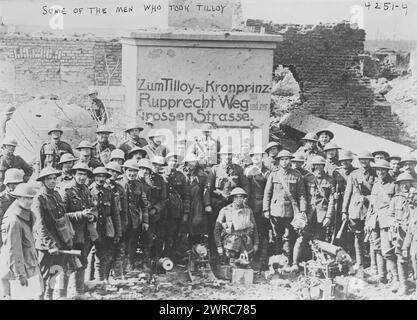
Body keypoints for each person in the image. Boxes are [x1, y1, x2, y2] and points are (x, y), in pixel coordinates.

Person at [32, 167, 75, 300]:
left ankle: (51, 297)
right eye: (48, 179)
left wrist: (65, 240)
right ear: (43, 181)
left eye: (54, 178)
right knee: (43, 276)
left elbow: (62, 218)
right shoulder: (39, 198)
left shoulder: (56, 194)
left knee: (56, 272)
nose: (52, 181)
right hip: (46, 246)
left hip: (60, 241)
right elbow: (40, 226)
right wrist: (51, 245)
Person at [263, 150, 307, 268]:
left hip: (290, 211)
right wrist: (266, 210)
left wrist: (302, 211)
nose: (284, 161)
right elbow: (267, 193)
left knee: (288, 236)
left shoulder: (297, 175)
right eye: (282, 159)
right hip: (275, 210)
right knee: (277, 236)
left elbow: (301, 195)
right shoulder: (273, 174)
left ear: (290, 160)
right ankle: (278, 261)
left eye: (287, 159)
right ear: (279, 161)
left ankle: (287, 260)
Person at [59, 163, 97, 297]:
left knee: (82, 264)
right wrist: (80, 214)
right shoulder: (66, 191)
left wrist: (92, 216)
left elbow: (93, 208)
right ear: (74, 174)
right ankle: (62, 295)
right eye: (79, 174)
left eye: (84, 175)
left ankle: (79, 292)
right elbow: (61, 216)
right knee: (67, 266)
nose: (82, 177)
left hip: (85, 235)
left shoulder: (86, 190)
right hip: (71, 235)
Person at [0, 183, 41, 299]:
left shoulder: (27, 214)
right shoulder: (14, 220)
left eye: (31, 198)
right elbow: (13, 251)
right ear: (17, 197)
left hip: (28, 266)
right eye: (26, 198)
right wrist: (20, 275)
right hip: (19, 270)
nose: (30, 201)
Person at [208, 146, 249, 258]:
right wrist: (207, 204)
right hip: (217, 203)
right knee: (216, 227)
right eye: (224, 155)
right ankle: (215, 253)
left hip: (233, 205)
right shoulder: (215, 169)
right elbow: (208, 188)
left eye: (229, 155)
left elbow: (245, 185)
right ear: (220, 156)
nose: (226, 157)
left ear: (231, 156)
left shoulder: (238, 169)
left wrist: (244, 201)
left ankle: (231, 253)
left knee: (233, 228)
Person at [341, 151, 376, 270]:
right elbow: (347, 194)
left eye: (366, 159)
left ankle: (373, 264)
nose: (364, 161)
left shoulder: (375, 174)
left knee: (372, 238)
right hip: (355, 211)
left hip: (370, 210)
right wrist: (344, 211)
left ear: (370, 160)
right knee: (358, 237)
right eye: (361, 159)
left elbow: (377, 194)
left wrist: (367, 198)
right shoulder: (354, 174)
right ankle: (360, 262)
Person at [365, 160, 396, 288]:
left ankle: (396, 278)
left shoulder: (393, 184)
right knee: (377, 248)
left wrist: (393, 220)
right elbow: (372, 205)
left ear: (388, 170)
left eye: (383, 169)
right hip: (374, 221)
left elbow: (396, 204)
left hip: (386, 221)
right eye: (378, 170)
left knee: (387, 250)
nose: (380, 172)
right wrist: (367, 221)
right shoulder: (376, 184)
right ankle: (382, 276)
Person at [89, 167, 122, 282]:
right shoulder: (88, 192)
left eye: (103, 176)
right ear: (94, 177)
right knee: (90, 256)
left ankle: (101, 281)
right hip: (91, 229)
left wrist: (117, 232)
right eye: (98, 176)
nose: (101, 179)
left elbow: (115, 214)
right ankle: (88, 281)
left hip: (105, 229)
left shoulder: (109, 193)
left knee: (103, 255)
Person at [214, 187, 259, 265]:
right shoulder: (225, 210)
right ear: (233, 198)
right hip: (231, 244)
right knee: (231, 263)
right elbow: (217, 229)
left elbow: (255, 228)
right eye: (236, 197)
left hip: (246, 243)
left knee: (246, 263)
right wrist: (219, 246)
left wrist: (256, 244)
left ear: (243, 198)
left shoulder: (248, 211)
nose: (239, 199)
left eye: (241, 197)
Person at [388, 172, 416, 295]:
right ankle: (404, 284)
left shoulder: (415, 197)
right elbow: (390, 214)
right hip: (401, 233)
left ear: (411, 184)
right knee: (401, 258)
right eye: (402, 183)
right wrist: (393, 223)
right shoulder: (396, 198)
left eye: (407, 183)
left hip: (414, 232)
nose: (404, 186)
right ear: (398, 185)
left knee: (414, 257)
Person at [119, 159, 149, 272]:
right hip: (121, 221)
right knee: (120, 245)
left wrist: (145, 221)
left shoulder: (138, 185)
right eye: (130, 171)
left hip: (134, 221)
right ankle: (118, 269)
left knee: (132, 244)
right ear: (125, 170)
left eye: (135, 171)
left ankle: (129, 265)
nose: (132, 174)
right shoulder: (119, 183)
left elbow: (144, 204)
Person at [244, 147, 271, 271]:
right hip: (250, 206)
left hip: (263, 206)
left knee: (263, 233)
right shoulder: (247, 170)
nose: (256, 157)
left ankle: (263, 260)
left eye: (258, 155)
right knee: (249, 232)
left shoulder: (267, 172)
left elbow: (269, 190)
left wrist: (266, 208)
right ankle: (249, 258)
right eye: (253, 155)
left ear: (262, 157)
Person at [137, 158, 167, 268]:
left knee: (150, 240)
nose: (144, 171)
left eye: (146, 169)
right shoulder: (135, 180)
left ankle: (150, 263)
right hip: (136, 215)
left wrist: (155, 209)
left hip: (152, 215)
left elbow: (163, 199)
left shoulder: (159, 180)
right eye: (141, 169)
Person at [179, 154, 212, 249]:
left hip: (197, 205)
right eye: (190, 162)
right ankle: (184, 251)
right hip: (184, 203)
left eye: (194, 162)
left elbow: (206, 190)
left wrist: (206, 204)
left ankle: (196, 250)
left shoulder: (202, 175)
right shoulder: (182, 173)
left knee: (196, 226)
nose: (191, 164)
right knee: (183, 227)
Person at [162, 153, 190, 262]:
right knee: (160, 235)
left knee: (173, 235)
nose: (173, 163)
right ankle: (159, 257)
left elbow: (186, 195)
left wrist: (186, 213)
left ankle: (171, 257)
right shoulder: (161, 174)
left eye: (175, 161)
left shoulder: (181, 176)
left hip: (176, 211)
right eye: (170, 161)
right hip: (163, 211)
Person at [105, 162, 128, 280]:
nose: (113, 174)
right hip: (105, 222)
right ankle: (101, 277)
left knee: (119, 249)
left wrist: (124, 224)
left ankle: (118, 275)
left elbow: (124, 209)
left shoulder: (120, 188)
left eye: (116, 172)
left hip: (118, 222)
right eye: (110, 171)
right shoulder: (101, 186)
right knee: (105, 251)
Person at [332, 150, 357, 248]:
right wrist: (334, 193)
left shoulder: (355, 171)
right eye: (342, 161)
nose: (344, 163)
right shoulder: (337, 172)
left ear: (351, 161)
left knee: (351, 225)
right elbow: (333, 185)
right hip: (340, 200)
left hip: (352, 200)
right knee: (338, 223)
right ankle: (338, 246)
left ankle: (350, 248)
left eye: (347, 160)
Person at [0, 169, 24, 248]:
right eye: (14, 184)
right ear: (7, 184)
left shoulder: (22, 197)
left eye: (19, 184)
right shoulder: (2, 200)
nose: (16, 187)